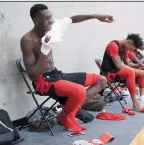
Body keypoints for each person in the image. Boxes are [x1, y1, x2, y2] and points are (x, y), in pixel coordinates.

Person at [20, 4, 115, 132]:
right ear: (35, 20)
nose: (52, 20)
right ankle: (66, 115)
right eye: (46, 18)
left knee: (102, 80)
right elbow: (32, 75)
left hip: (56, 74)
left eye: (51, 16)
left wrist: (96, 16)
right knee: (80, 91)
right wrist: (45, 48)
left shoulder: (51, 27)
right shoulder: (28, 39)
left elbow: (72, 19)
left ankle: (69, 112)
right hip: (43, 81)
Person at [101, 33, 144, 113]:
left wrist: (139, 65)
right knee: (131, 72)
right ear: (128, 42)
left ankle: (142, 99)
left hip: (118, 72)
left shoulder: (125, 49)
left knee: (143, 71)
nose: (130, 51)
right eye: (131, 48)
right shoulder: (113, 45)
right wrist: (137, 71)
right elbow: (119, 65)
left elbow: (128, 64)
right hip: (109, 73)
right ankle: (135, 105)